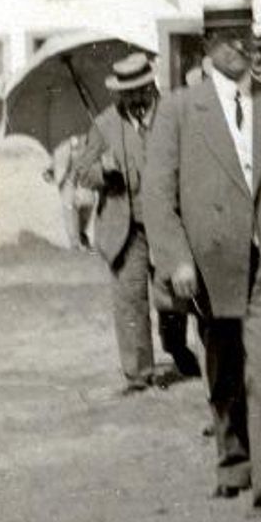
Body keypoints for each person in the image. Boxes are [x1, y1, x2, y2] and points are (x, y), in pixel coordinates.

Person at [143, 0, 261, 513]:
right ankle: (234, 460)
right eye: (226, 39)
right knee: (223, 368)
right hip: (206, 269)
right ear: (207, 48)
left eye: (245, 36)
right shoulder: (180, 110)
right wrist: (175, 259)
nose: (239, 47)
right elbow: (157, 196)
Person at [74, 52, 200, 392]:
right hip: (124, 230)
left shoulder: (174, 115)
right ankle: (138, 373)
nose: (134, 97)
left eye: (140, 89)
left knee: (173, 296)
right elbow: (82, 172)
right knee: (130, 300)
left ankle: (175, 347)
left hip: (169, 222)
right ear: (118, 92)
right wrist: (105, 171)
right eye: (126, 92)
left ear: (151, 85)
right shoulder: (104, 124)